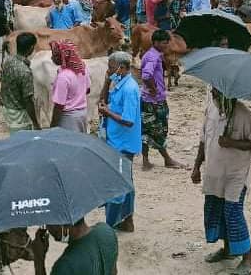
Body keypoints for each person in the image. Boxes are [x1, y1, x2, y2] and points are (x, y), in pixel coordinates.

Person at [191, 87, 251, 275]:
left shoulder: (244, 115)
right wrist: (197, 166)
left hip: (235, 176)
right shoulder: (211, 110)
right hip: (214, 173)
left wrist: (233, 143)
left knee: (233, 213)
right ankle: (228, 250)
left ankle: (249, 260)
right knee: (217, 210)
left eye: (216, 93)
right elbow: (203, 139)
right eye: (212, 92)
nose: (212, 95)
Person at [98, 51, 141, 231]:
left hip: (123, 143)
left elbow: (129, 120)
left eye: (111, 67)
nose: (109, 70)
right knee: (125, 181)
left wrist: (107, 112)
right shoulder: (119, 83)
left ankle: (110, 224)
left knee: (117, 183)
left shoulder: (130, 89)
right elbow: (104, 100)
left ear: (122, 68)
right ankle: (126, 220)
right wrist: (107, 80)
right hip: (115, 140)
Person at [140, 30, 185, 170]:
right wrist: (154, 90)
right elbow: (146, 76)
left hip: (147, 99)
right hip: (155, 101)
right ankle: (167, 159)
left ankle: (146, 160)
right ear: (156, 43)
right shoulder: (153, 57)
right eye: (165, 43)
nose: (167, 46)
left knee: (146, 130)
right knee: (159, 130)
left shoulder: (150, 55)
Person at [41, 217, 119, 275]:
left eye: (49, 222)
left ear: (64, 224)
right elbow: (113, 271)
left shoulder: (65, 266)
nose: (48, 228)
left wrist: (39, 260)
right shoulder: (106, 231)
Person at [0, 32, 40, 133]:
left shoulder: (8, 61)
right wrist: (35, 122)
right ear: (31, 48)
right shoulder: (25, 71)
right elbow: (28, 100)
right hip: (19, 115)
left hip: (7, 109)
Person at [49, 40, 90, 132]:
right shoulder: (82, 68)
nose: (52, 58)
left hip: (68, 118)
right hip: (82, 114)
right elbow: (87, 90)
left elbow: (59, 105)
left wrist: (52, 126)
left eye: (55, 56)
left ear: (63, 57)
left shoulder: (63, 77)